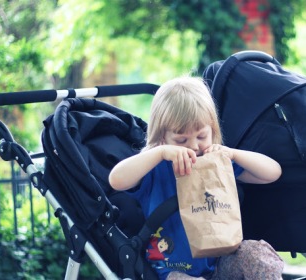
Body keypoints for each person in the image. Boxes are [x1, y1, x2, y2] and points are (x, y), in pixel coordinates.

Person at [109, 76, 284, 280]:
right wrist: (160, 153)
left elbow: (273, 173)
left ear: (213, 130)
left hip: (219, 263)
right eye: (181, 140)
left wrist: (233, 154)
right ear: (163, 137)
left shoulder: (214, 164)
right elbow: (116, 180)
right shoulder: (155, 167)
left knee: (255, 254)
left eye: (201, 136)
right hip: (173, 270)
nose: (193, 146)